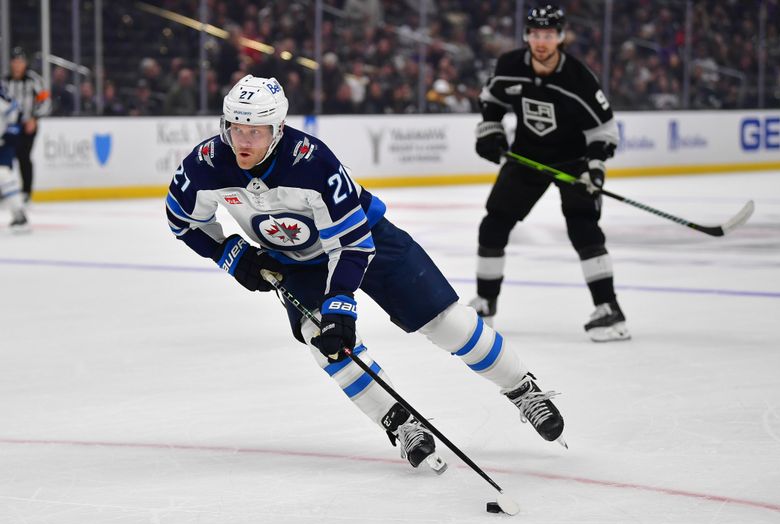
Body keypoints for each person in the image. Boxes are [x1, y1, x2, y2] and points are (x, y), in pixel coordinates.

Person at [166, 75, 566, 471]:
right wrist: (229, 254)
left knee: (446, 323)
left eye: (256, 131)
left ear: (278, 129)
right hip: (296, 262)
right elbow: (181, 219)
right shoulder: (206, 165)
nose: (244, 141)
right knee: (325, 344)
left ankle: (521, 387)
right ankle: (400, 422)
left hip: (366, 240)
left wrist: (340, 301)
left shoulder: (312, 162)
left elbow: (352, 243)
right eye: (236, 128)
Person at [470, 4, 629, 342]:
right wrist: (491, 132)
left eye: (548, 35)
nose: (541, 42)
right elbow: (492, 99)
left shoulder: (578, 78)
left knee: (583, 226)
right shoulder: (510, 65)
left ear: (560, 37)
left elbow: (604, 130)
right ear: (527, 36)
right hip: (528, 157)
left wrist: (595, 171)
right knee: (494, 221)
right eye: (535, 35)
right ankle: (485, 303)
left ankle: (610, 310)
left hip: (573, 162)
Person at [2, 47, 50, 203]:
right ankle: (5, 191)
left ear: (25, 63)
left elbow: (45, 100)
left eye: (20, 62)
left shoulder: (33, 80)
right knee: (5, 160)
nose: (17, 65)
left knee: (24, 157)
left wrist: (34, 119)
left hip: (27, 127)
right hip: (8, 128)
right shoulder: (5, 81)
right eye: (15, 62)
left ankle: (26, 192)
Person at [0, 85, 28, 232]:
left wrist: (11, 131)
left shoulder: (1, 96)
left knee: (3, 173)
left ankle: (19, 214)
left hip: (3, 143)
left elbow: (15, 110)